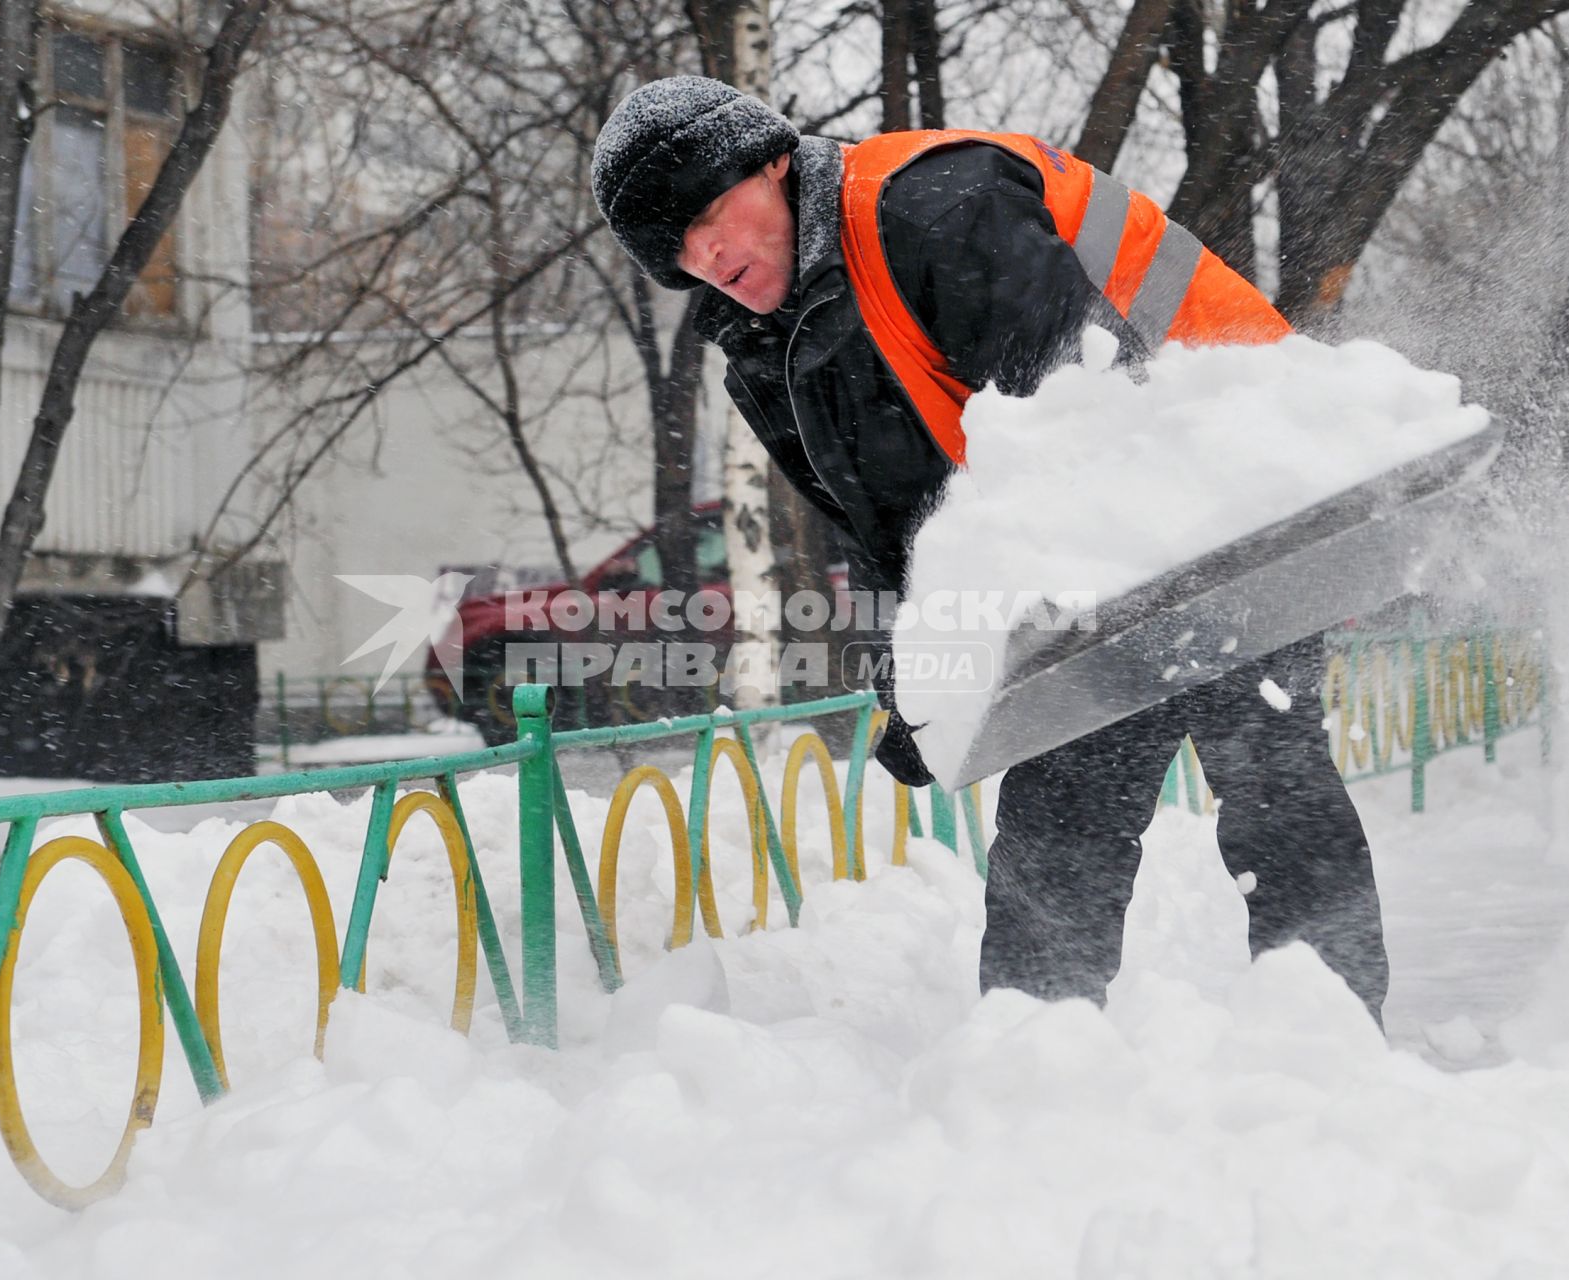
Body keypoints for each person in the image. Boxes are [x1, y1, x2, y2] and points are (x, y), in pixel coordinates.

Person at [590, 76, 1388, 1024]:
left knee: (1265, 773)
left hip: (1226, 483)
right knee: (1059, 821)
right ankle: (1033, 1065)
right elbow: (890, 520)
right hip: (1087, 552)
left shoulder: (934, 206)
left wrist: (989, 643)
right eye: (678, 248)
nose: (708, 253)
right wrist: (918, 677)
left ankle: (1330, 1035)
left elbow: (1083, 405)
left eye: (715, 212)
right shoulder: (775, 347)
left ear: (774, 164)